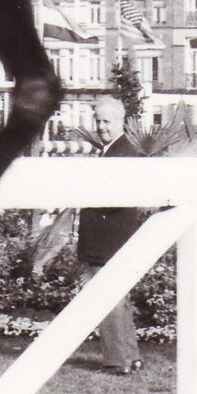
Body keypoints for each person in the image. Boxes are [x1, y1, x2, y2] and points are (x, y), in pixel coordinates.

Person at [76, 94, 146, 374]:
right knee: (119, 299)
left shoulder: (122, 154)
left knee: (107, 298)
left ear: (121, 122)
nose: (101, 127)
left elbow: (116, 199)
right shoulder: (114, 151)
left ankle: (118, 360)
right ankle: (130, 355)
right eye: (98, 121)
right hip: (112, 238)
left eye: (107, 121)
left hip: (108, 239)